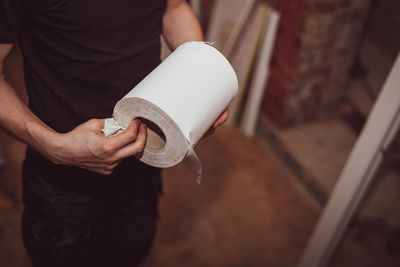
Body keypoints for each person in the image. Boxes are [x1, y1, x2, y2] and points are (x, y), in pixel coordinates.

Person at [0, 0, 228, 266]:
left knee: (131, 253)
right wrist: (53, 146)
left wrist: (201, 83)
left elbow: (174, 9)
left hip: (145, 161)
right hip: (62, 181)